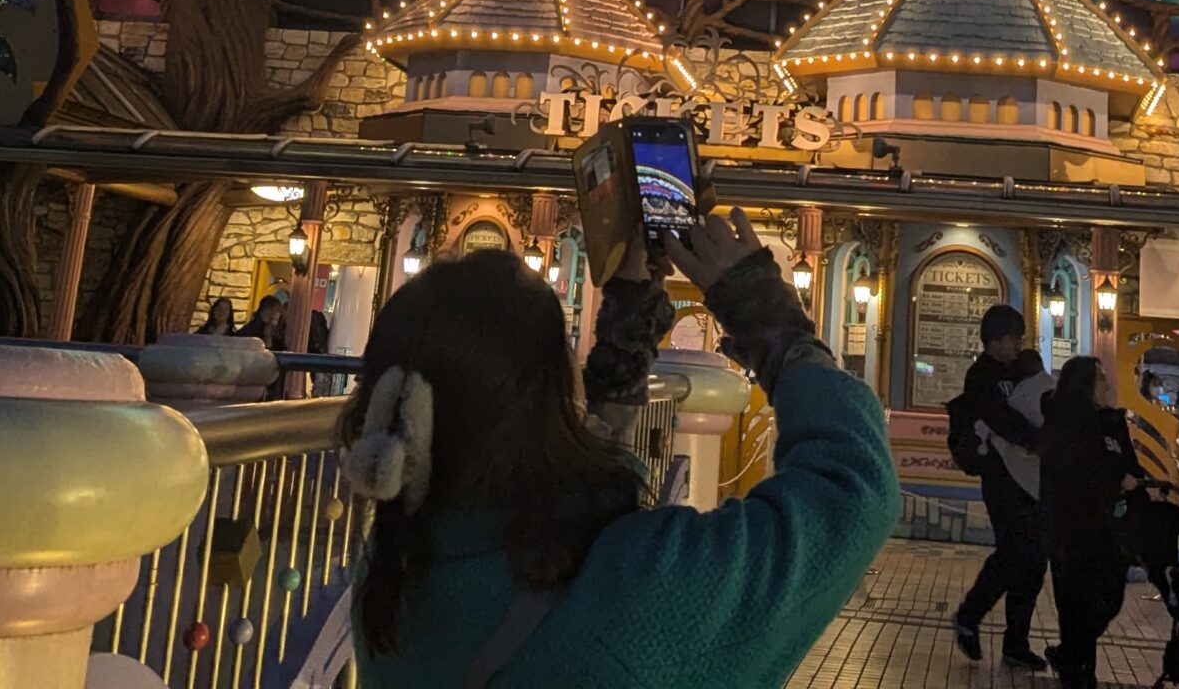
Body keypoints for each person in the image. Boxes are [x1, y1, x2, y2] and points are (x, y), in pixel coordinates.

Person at [341, 206, 898, 687]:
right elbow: (851, 491)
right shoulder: (645, 589)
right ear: (554, 398)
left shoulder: (396, 570)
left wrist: (627, 335)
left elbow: (559, 502)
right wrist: (769, 319)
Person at [953, 304, 1052, 666]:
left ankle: (1016, 643)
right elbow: (1000, 418)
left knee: (1034, 560)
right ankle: (969, 615)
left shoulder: (1020, 369)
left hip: (1030, 479)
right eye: (1013, 338)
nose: (1018, 345)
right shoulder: (980, 376)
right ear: (995, 340)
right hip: (1000, 479)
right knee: (1013, 554)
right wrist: (1037, 440)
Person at [1039, 354, 1142, 689]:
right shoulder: (1064, 424)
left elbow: (1129, 465)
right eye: (1100, 379)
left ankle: (1071, 658)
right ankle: (1079, 673)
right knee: (1077, 606)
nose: (1108, 384)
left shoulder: (1112, 422)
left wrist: (1136, 489)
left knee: (1107, 599)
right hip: (1072, 529)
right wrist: (1115, 483)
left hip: (1110, 529)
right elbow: (1071, 474)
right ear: (1083, 385)